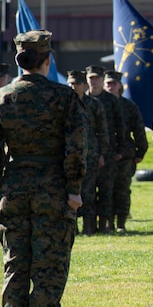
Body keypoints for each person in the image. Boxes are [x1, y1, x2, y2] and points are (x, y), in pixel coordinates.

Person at [0, 30, 85, 307]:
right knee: (49, 264)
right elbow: (76, 148)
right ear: (47, 60)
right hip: (52, 188)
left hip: (14, 188)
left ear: (18, 60)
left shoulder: (0, 98)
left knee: (16, 263)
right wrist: (75, 189)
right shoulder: (64, 97)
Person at [104, 69, 148, 233]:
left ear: (120, 86)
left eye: (113, 84)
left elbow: (138, 130)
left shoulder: (128, 106)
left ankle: (121, 222)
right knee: (106, 191)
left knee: (122, 189)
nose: (110, 87)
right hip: (105, 154)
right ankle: (107, 222)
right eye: (108, 83)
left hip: (124, 155)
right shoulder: (99, 104)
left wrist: (140, 152)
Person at [68, 70, 108, 236]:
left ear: (84, 85)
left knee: (89, 192)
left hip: (90, 153)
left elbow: (103, 130)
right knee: (70, 191)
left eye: (77, 83)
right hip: (69, 154)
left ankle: (89, 227)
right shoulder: (64, 103)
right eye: (71, 83)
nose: (74, 86)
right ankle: (72, 227)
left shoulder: (93, 104)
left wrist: (102, 154)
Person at [86, 65, 124, 233]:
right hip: (86, 152)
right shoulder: (80, 100)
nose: (94, 81)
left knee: (106, 190)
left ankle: (105, 225)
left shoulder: (112, 101)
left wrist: (119, 151)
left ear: (102, 79)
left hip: (107, 152)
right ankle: (89, 225)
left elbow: (120, 127)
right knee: (87, 191)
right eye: (91, 78)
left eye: (97, 78)